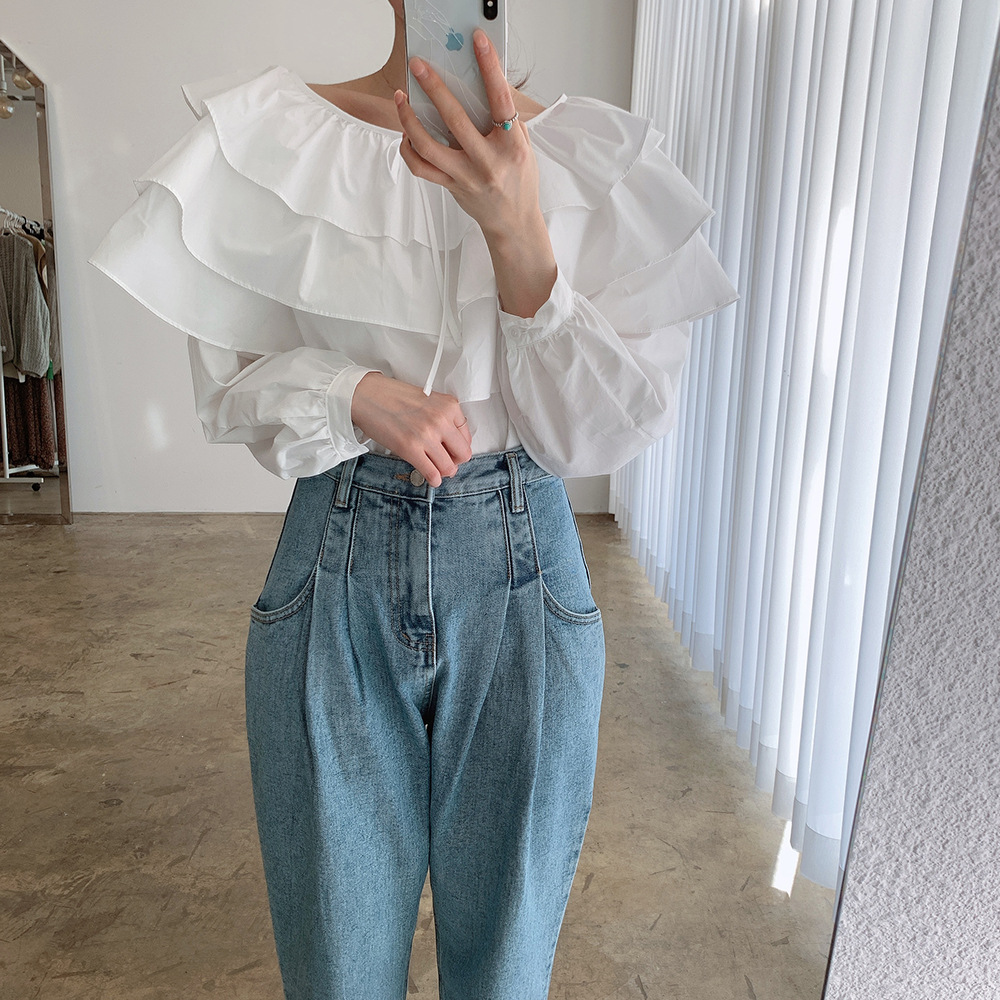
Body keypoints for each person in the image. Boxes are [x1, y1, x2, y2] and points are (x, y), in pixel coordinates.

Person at [91, 1, 736, 996]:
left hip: (524, 571)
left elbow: (598, 435)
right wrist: (349, 392)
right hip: (335, 560)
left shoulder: (599, 164)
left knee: (504, 973)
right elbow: (230, 389)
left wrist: (519, 231)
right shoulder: (279, 138)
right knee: (337, 970)